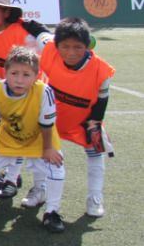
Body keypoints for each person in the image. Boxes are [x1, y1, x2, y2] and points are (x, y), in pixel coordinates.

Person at [0, 47, 66, 233]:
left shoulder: (44, 92)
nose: (19, 80)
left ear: (36, 75)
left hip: (40, 140)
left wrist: (48, 149)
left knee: (57, 168)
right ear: (6, 73)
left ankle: (52, 212)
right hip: (8, 139)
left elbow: (47, 125)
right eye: (14, 73)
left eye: (26, 74)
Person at [40, 18, 115, 217]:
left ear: (87, 45)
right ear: (57, 45)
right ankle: (39, 189)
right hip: (53, 117)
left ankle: (95, 197)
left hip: (85, 119)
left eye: (78, 47)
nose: (71, 52)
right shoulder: (49, 51)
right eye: (65, 46)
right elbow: (39, 32)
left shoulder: (101, 69)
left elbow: (103, 97)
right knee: (41, 152)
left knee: (95, 154)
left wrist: (94, 123)